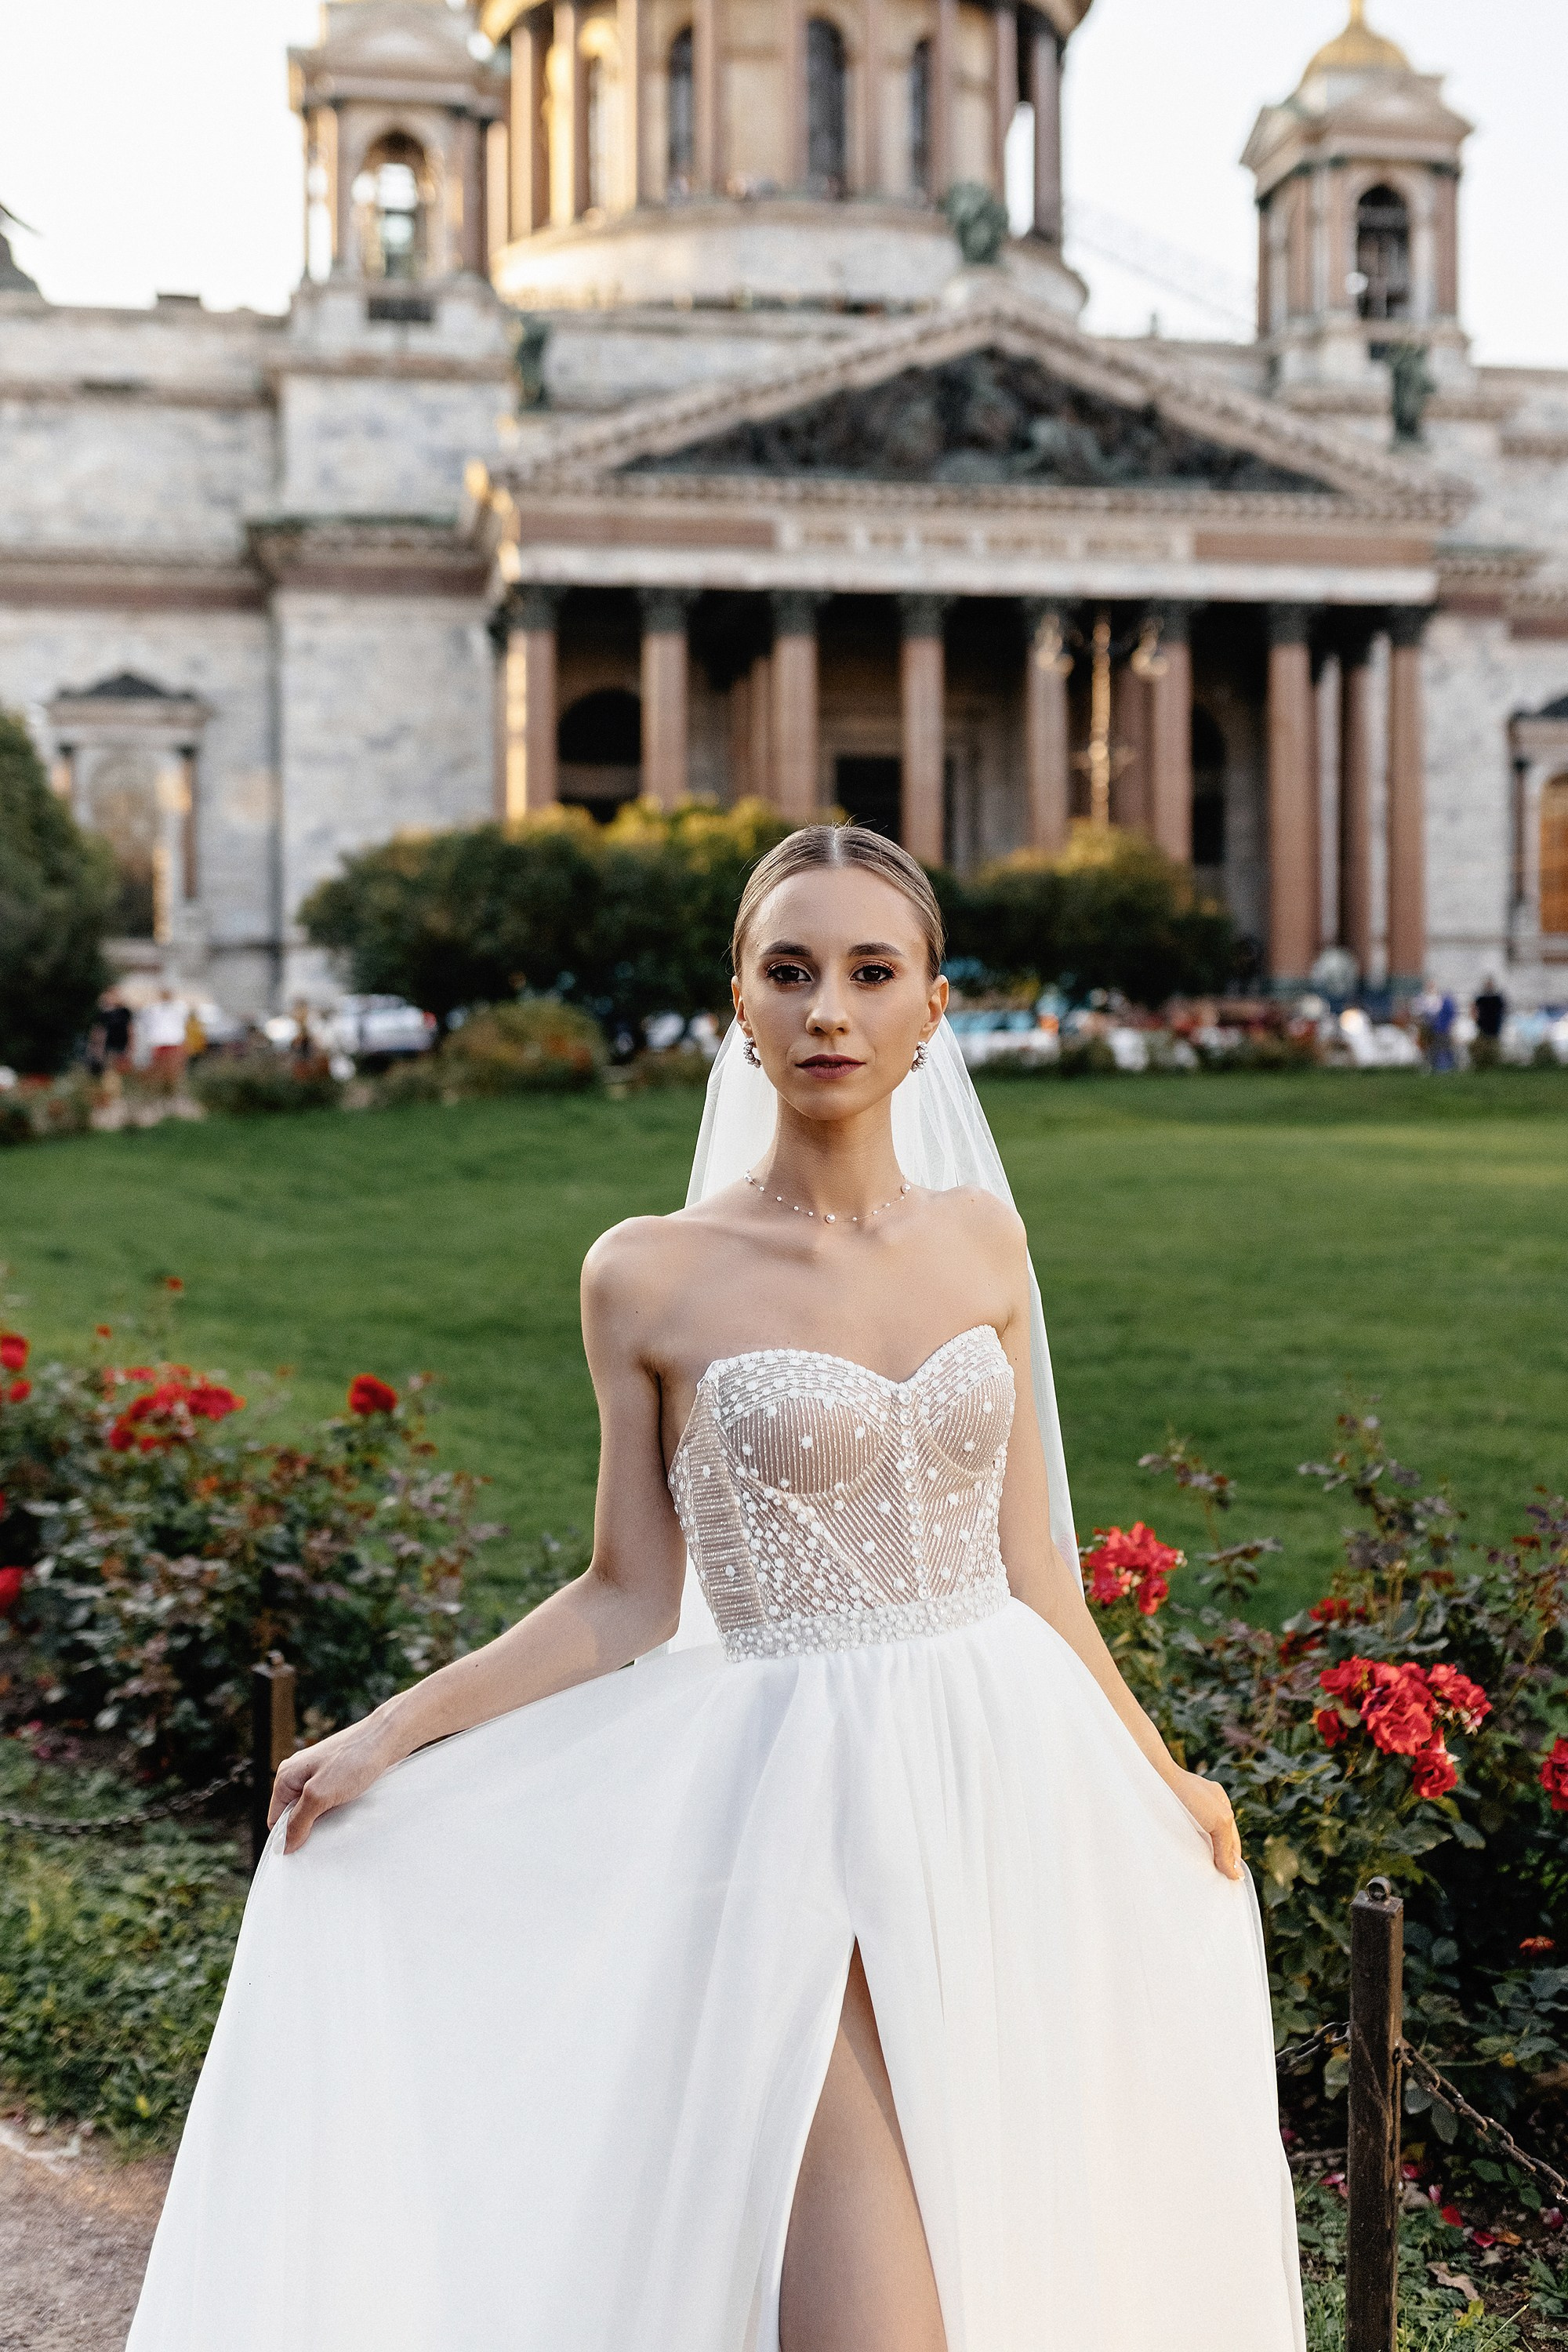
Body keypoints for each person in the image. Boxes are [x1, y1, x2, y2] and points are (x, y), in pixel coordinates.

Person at [127, 826, 1305, 2352]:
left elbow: (1037, 1578)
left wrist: (1163, 1777)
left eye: (871, 973)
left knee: (1023, 2267)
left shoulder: (984, 1245)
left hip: (1001, 1787)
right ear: (735, 1005)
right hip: (786, 1823)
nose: (829, 1011)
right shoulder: (649, 1274)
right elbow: (624, 1595)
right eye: (790, 971)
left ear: (933, 1008)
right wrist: (381, 1740)